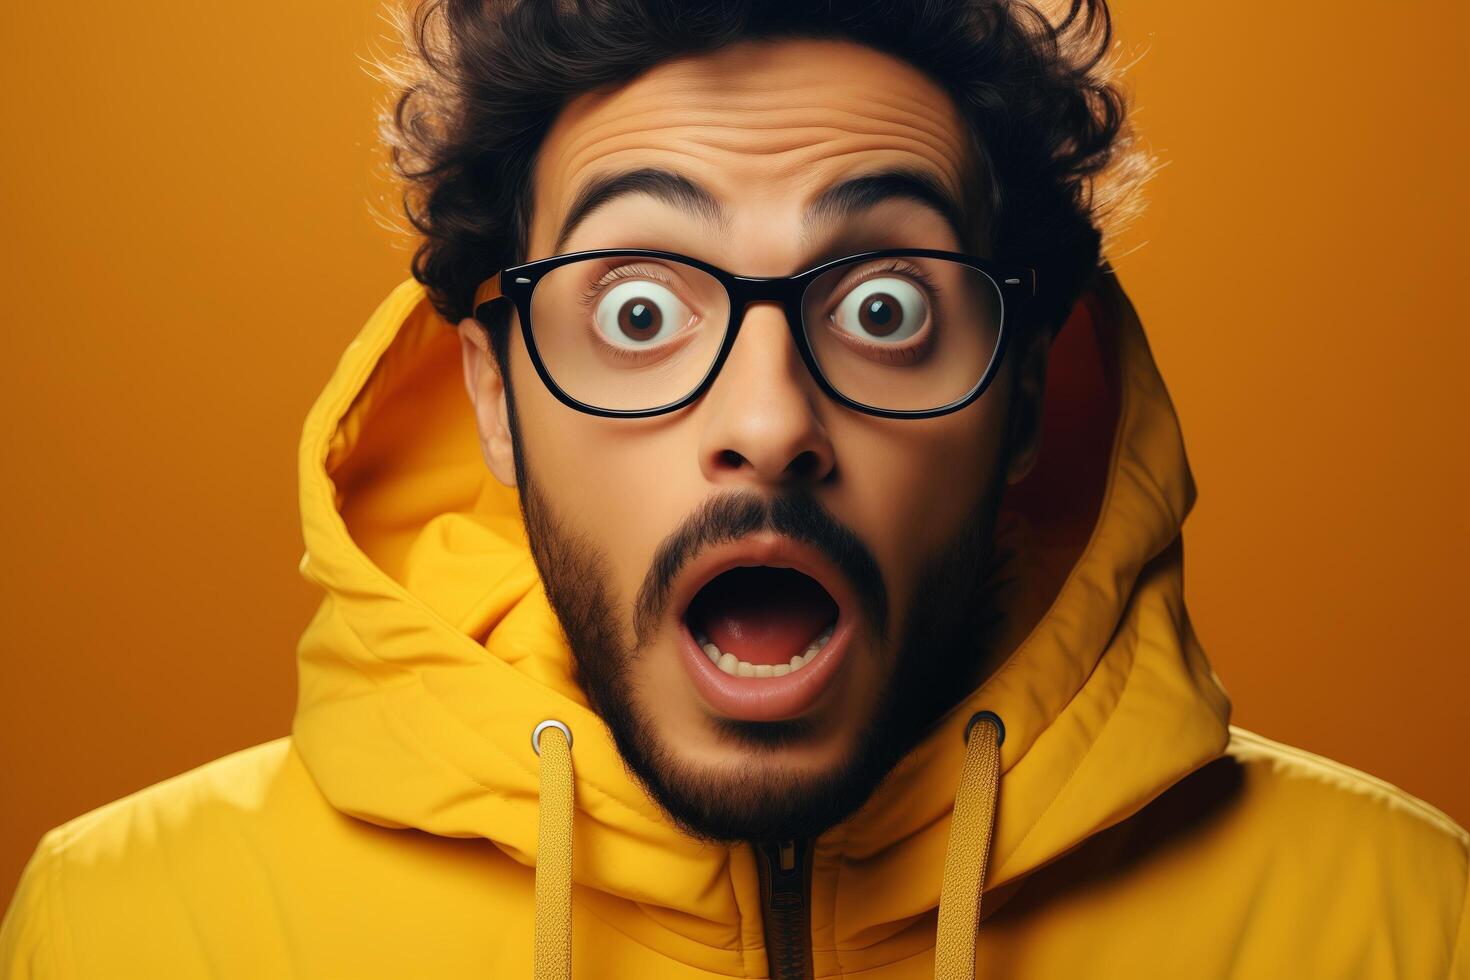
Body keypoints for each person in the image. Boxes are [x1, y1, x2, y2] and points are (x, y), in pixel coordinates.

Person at [3, 0, 1467, 976]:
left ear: (1023, 393)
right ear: (495, 396)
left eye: (883, 307)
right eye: (640, 312)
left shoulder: (1398, 927)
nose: (769, 422)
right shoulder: (137, 931)